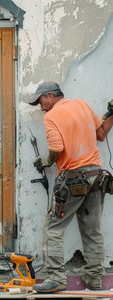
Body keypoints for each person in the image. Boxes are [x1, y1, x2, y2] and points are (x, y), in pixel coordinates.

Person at [29, 82, 113, 293]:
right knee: (92, 231)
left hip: (73, 178)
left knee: (53, 229)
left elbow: (57, 148)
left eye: (41, 101)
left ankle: (56, 278)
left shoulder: (51, 116)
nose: (41, 108)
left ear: (50, 95)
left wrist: (47, 161)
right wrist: (111, 114)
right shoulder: (82, 105)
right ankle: (94, 279)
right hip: (96, 176)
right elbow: (101, 133)